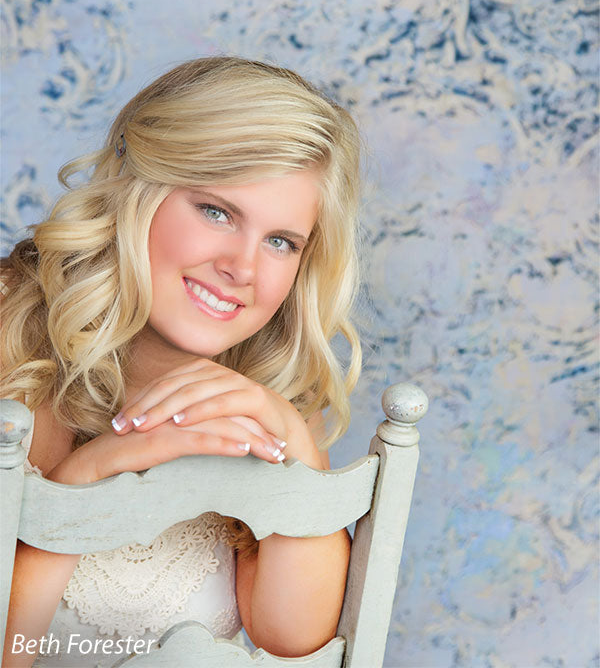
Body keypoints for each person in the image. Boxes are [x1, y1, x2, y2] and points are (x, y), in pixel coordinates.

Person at [0, 55, 364, 667]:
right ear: (137, 190)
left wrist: (298, 455)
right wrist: (82, 486)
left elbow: (294, 643)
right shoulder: (10, 334)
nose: (242, 268)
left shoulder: (265, 401)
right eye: (216, 212)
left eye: (280, 242)